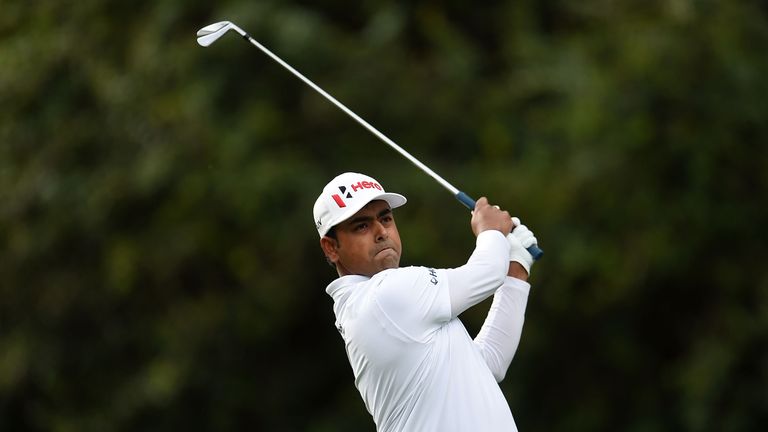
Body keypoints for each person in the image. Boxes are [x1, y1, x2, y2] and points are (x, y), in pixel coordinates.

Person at [313, 172, 538, 432]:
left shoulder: (393, 308)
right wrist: (489, 229)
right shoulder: (384, 295)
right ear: (331, 247)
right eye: (361, 226)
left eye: (385, 218)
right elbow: (487, 272)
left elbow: (490, 363)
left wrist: (516, 268)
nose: (381, 232)